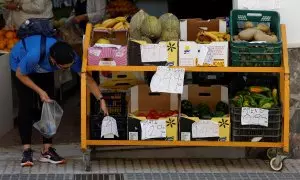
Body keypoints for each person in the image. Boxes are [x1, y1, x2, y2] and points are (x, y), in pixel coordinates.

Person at [10, 35, 109, 167]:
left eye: (69, 67)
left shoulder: (71, 56)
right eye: (63, 68)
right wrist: (40, 91)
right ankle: (27, 150)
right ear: (52, 60)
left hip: (43, 69)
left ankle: (47, 150)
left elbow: (87, 78)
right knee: (26, 104)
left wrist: (100, 99)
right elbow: (19, 74)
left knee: (49, 103)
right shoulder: (34, 54)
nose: (67, 69)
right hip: (20, 66)